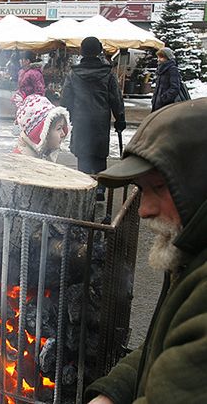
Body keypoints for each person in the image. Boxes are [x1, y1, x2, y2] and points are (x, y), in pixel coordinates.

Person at [84, 98, 207, 404]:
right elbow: (163, 346)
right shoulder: (190, 250)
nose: (144, 210)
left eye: (159, 188)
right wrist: (113, 392)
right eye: (141, 190)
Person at [60, 36, 126, 201]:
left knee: (83, 155)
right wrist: (120, 119)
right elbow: (116, 99)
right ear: (99, 52)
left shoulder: (73, 74)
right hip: (100, 120)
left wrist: (66, 117)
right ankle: (100, 187)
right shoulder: (107, 74)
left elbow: (65, 99)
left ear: (82, 51)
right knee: (99, 155)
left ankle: (85, 185)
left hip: (81, 120)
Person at [12, 94, 69, 162]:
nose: (63, 134)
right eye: (59, 128)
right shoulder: (23, 162)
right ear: (42, 132)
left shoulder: (39, 154)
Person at [151, 47, 182, 112]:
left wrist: (164, 98)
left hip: (166, 106)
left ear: (167, 58)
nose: (158, 59)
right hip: (157, 104)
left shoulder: (172, 69)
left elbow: (175, 87)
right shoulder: (160, 69)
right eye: (158, 57)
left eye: (161, 57)